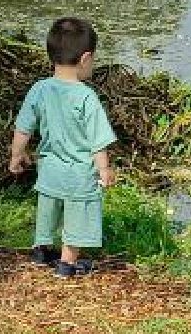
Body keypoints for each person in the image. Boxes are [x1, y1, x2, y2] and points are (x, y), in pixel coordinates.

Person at [7, 17, 117, 277]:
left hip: (49, 169)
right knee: (78, 214)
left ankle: (41, 250)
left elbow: (23, 127)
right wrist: (104, 170)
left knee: (49, 209)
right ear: (85, 58)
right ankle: (67, 263)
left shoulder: (40, 89)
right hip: (79, 174)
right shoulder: (86, 97)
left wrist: (16, 155)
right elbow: (98, 140)